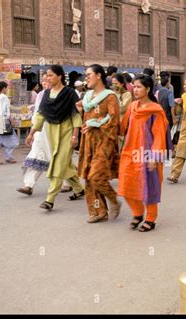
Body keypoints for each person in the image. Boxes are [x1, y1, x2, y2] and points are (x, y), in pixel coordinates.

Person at [25, 65, 84, 210]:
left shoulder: (70, 93)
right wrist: (32, 133)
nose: (48, 79)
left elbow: (76, 115)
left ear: (60, 76)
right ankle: (79, 189)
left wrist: (75, 135)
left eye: (50, 76)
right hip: (51, 132)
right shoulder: (46, 94)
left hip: (67, 131)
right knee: (64, 164)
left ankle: (50, 199)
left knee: (57, 164)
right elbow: (40, 115)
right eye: (46, 76)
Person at [118, 75, 170, 232]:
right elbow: (122, 127)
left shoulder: (155, 111)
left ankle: (151, 218)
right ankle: (138, 213)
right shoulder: (133, 107)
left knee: (149, 185)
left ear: (148, 89)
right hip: (130, 152)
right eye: (134, 87)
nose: (135, 89)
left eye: (139, 87)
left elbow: (159, 134)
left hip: (148, 154)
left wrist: (154, 157)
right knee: (126, 184)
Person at [77, 64, 121, 223]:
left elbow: (114, 120)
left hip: (104, 141)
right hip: (89, 141)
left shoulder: (110, 96)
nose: (86, 77)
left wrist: (96, 123)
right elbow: (86, 117)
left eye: (89, 74)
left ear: (99, 76)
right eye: (85, 75)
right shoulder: (87, 97)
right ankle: (99, 211)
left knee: (96, 175)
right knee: (89, 177)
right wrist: (84, 126)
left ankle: (114, 200)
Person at [17, 73, 51, 195]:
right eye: (44, 80)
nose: (45, 83)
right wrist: (32, 133)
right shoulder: (40, 95)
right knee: (35, 156)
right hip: (40, 131)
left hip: (54, 132)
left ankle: (71, 183)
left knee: (58, 160)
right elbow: (38, 115)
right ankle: (28, 185)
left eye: (48, 80)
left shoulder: (61, 94)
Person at [0, 81, 19, 165]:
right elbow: (7, 112)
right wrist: (11, 120)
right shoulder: (4, 97)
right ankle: (8, 157)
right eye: (7, 88)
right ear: (4, 88)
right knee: (13, 140)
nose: (7, 90)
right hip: (2, 123)